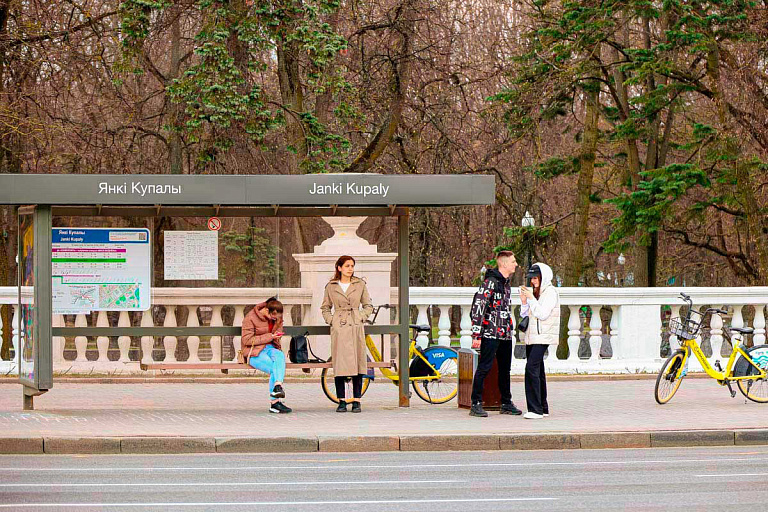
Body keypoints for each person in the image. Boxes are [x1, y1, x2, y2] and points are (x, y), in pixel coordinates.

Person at [468, 251, 523, 417]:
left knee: (505, 369)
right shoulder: (490, 282)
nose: (516, 264)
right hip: (490, 334)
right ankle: (476, 403)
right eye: (513, 261)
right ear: (504, 264)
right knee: (484, 367)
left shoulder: (505, 283)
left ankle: (506, 402)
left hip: (505, 334)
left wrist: (509, 326)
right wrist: (476, 335)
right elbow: (478, 308)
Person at [320, 255, 374, 413]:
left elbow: (368, 305)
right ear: (339, 268)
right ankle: (341, 400)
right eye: (347, 266)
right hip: (340, 326)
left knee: (357, 362)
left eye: (352, 266)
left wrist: (361, 317)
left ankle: (357, 400)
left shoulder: (360, 284)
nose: (350, 268)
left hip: (355, 326)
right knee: (340, 363)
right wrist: (332, 321)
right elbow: (325, 307)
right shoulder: (331, 286)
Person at [519, 262, 561, 419]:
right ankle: (542, 407)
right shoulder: (538, 293)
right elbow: (526, 314)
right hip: (533, 336)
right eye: (531, 278)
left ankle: (535, 409)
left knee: (531, 369)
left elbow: (542, 314)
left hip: (543, 335)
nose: (533, 282)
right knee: (538, 371)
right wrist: (525, 301)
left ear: (543, 278)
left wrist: (531, 299)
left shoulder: (550, 292)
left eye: (536, 278)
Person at [241, 297, 292, 414]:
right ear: (266, 309)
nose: (275, 319)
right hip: (254, 352)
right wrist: (270, 336)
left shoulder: (276, 317)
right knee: (276, 369)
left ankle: (277, 386)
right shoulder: (250, 318)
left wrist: (277, 333)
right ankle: (275, 403)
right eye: (273, 316)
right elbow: (246, 340)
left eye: (278, 317)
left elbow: (277, 329)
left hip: (271, 348)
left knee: (279, 355)